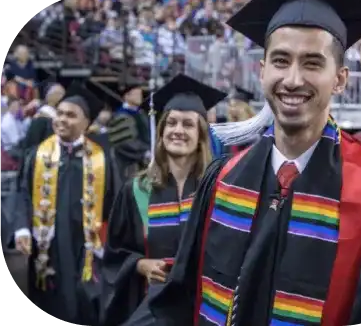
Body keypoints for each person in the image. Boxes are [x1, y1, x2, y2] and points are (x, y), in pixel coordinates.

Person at [132, 0, 361, 325]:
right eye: (280, 61)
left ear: (340, 79)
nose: (292, 79)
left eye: (312, 63)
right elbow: (183, 300)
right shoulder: (221, 180)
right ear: (262, 72)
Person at [100, 74, 227, 326]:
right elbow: (114, 253)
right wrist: (140, 265)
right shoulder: (136, 190)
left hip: (205, 310)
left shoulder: (218, 188)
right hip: (152, 309)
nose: (178, 131)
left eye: (188, 124)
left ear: (201, 134)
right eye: (171, 123)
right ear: (161, 131)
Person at [9, 81, 120, 326]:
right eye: (59, 113)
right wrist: (22, 228)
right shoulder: (37, 155)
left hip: (87, 248)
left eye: (71, 115)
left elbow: (115, 204)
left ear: (86, 123)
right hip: (47, 246)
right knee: (48, 300)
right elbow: (23, 194)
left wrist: (109, 240)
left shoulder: (102, 159)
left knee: (84, 304)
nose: (61, 120)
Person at [107, 80, 151, 181]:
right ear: (127, 96)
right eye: (136, 94)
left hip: (144, 161)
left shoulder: (140, 113)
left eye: (140, 94)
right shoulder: (121, 116)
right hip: (128, 164)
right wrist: (145, 152)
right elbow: (124, 141)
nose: (140, 97)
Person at [224, 86, 258, 155]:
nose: (232, 109)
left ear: (244, 108)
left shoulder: (255, 134)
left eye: (236, 105)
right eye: (230, 105)